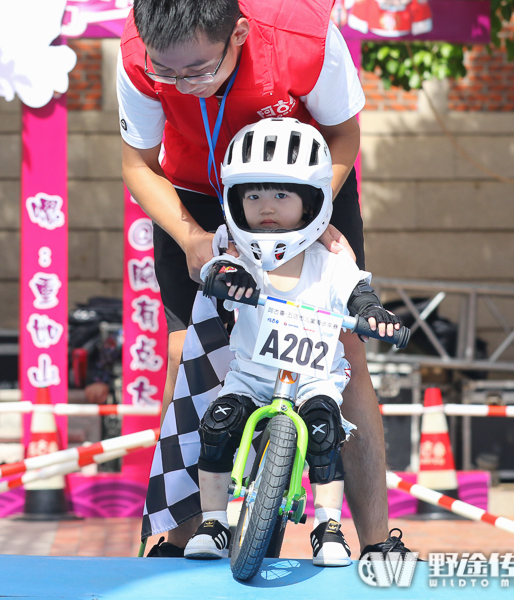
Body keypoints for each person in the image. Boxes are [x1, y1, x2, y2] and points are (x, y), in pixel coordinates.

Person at [118, 0, 407, 557]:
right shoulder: (137, 53)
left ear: (240, 34)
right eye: (168, 73)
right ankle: (180, 537)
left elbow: (345, 134)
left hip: (299, 187)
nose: (184, 85)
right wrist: (191, 237)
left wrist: (315, 214)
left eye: (200, 69)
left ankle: (375, 540)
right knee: (186, 353)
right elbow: (137, 164)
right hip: (198, 196)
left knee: (346, 351)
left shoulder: (306, 35)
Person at [185, 119, 398, 565]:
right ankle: (213, 522)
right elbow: (212, 268)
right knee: (218, 426)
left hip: (313, 378)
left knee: (324, 430)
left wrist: (374, 315)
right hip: (251, 378)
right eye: (253, 195)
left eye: (282, 195)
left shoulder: (331, 258)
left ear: (312, 201)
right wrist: (227, 278)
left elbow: (359, 292)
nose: (266, 206)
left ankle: (328, 526)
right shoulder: (238, 252)